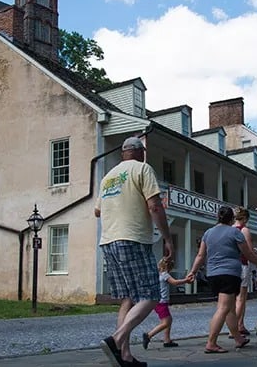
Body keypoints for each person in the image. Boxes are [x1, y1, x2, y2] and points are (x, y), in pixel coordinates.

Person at [95, 136, 174, 367]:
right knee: (151, 295)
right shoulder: (142, 169)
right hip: (133, 239)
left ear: (123, 154)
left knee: (128, 298)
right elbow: (154, 206)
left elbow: (97, 211)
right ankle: (116, 340)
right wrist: (167, 238)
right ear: (142, 153)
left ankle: (125, 356)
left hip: (108, 241)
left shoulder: (108, 178)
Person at [187, 205, 257, 354]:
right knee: (223, 308)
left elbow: (201, 255)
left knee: (230, 309)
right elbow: (247, 253)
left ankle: (238, 339)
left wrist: (193, 271)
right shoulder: (235, 232)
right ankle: (211, 343)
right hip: (229, 274)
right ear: (232, 219)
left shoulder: (208, 233)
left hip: (213, 274)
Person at [142, 258, 192, 350]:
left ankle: (167, 340)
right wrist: (186, 280)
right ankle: (148, 335)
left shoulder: (157, 275)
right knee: (166, 322)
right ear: (169, 267)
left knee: (168, 320)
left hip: (157, 301)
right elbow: (175, 282)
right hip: (162, 302)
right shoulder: (165, 275)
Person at [233, 207, 254, 336]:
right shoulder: (244, 230)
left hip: (231, 265)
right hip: (242, 264)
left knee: (234, 298)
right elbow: (249, 250)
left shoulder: (229, 230)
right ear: (245, 219)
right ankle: (235, 327)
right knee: (241, 298)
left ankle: (240, 324)